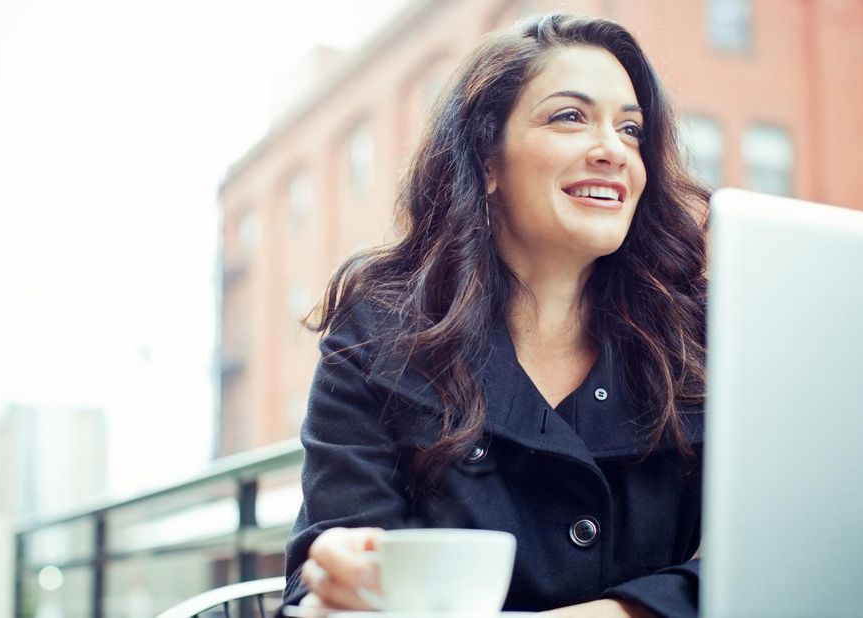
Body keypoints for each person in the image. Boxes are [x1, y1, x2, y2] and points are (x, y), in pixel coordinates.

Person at [283, 13, 708, 618]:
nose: (614, 150)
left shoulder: (706, 333)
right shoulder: (377, 328)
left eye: (632, 129)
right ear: (488, 160)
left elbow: (766, 560)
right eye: (570, 116)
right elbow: (322, 575)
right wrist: (340, 583)